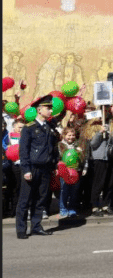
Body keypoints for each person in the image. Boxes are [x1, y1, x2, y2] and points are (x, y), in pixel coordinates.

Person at [15, 96, 60, 238]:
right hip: (32, 168)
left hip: (45, 168)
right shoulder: (29, 128)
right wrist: (26, 169)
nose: (51, 110)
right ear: (39, 110)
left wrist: (54, 165)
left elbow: (53, 148)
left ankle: (36, 226)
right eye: (48, 108)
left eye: (51, 108)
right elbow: (23, 151)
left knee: (40, 199)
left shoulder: (49, 127)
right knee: (25, 199)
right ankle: (21, 229)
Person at [85, 109, 113, 217]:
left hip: (110, 158)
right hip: (99, 158)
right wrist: (100, 133)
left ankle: (107, 205)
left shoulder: (111, 126)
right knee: (98, 183)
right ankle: (95, 206)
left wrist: (111, 134)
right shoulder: (93, 127)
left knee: (109, 183)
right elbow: (93, 144)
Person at [57, 127, 86, 219]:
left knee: (74, 191)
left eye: (73, 135)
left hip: (75, 171)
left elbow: (83, 159)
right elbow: (59, 157)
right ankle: (63, 208)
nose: (71, 137)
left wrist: (85, 167)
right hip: (64, 171)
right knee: (64, 191)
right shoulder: (60, 145)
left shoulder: (77, 146)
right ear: (64, 136)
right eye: (69, 135)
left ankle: (72, 208)